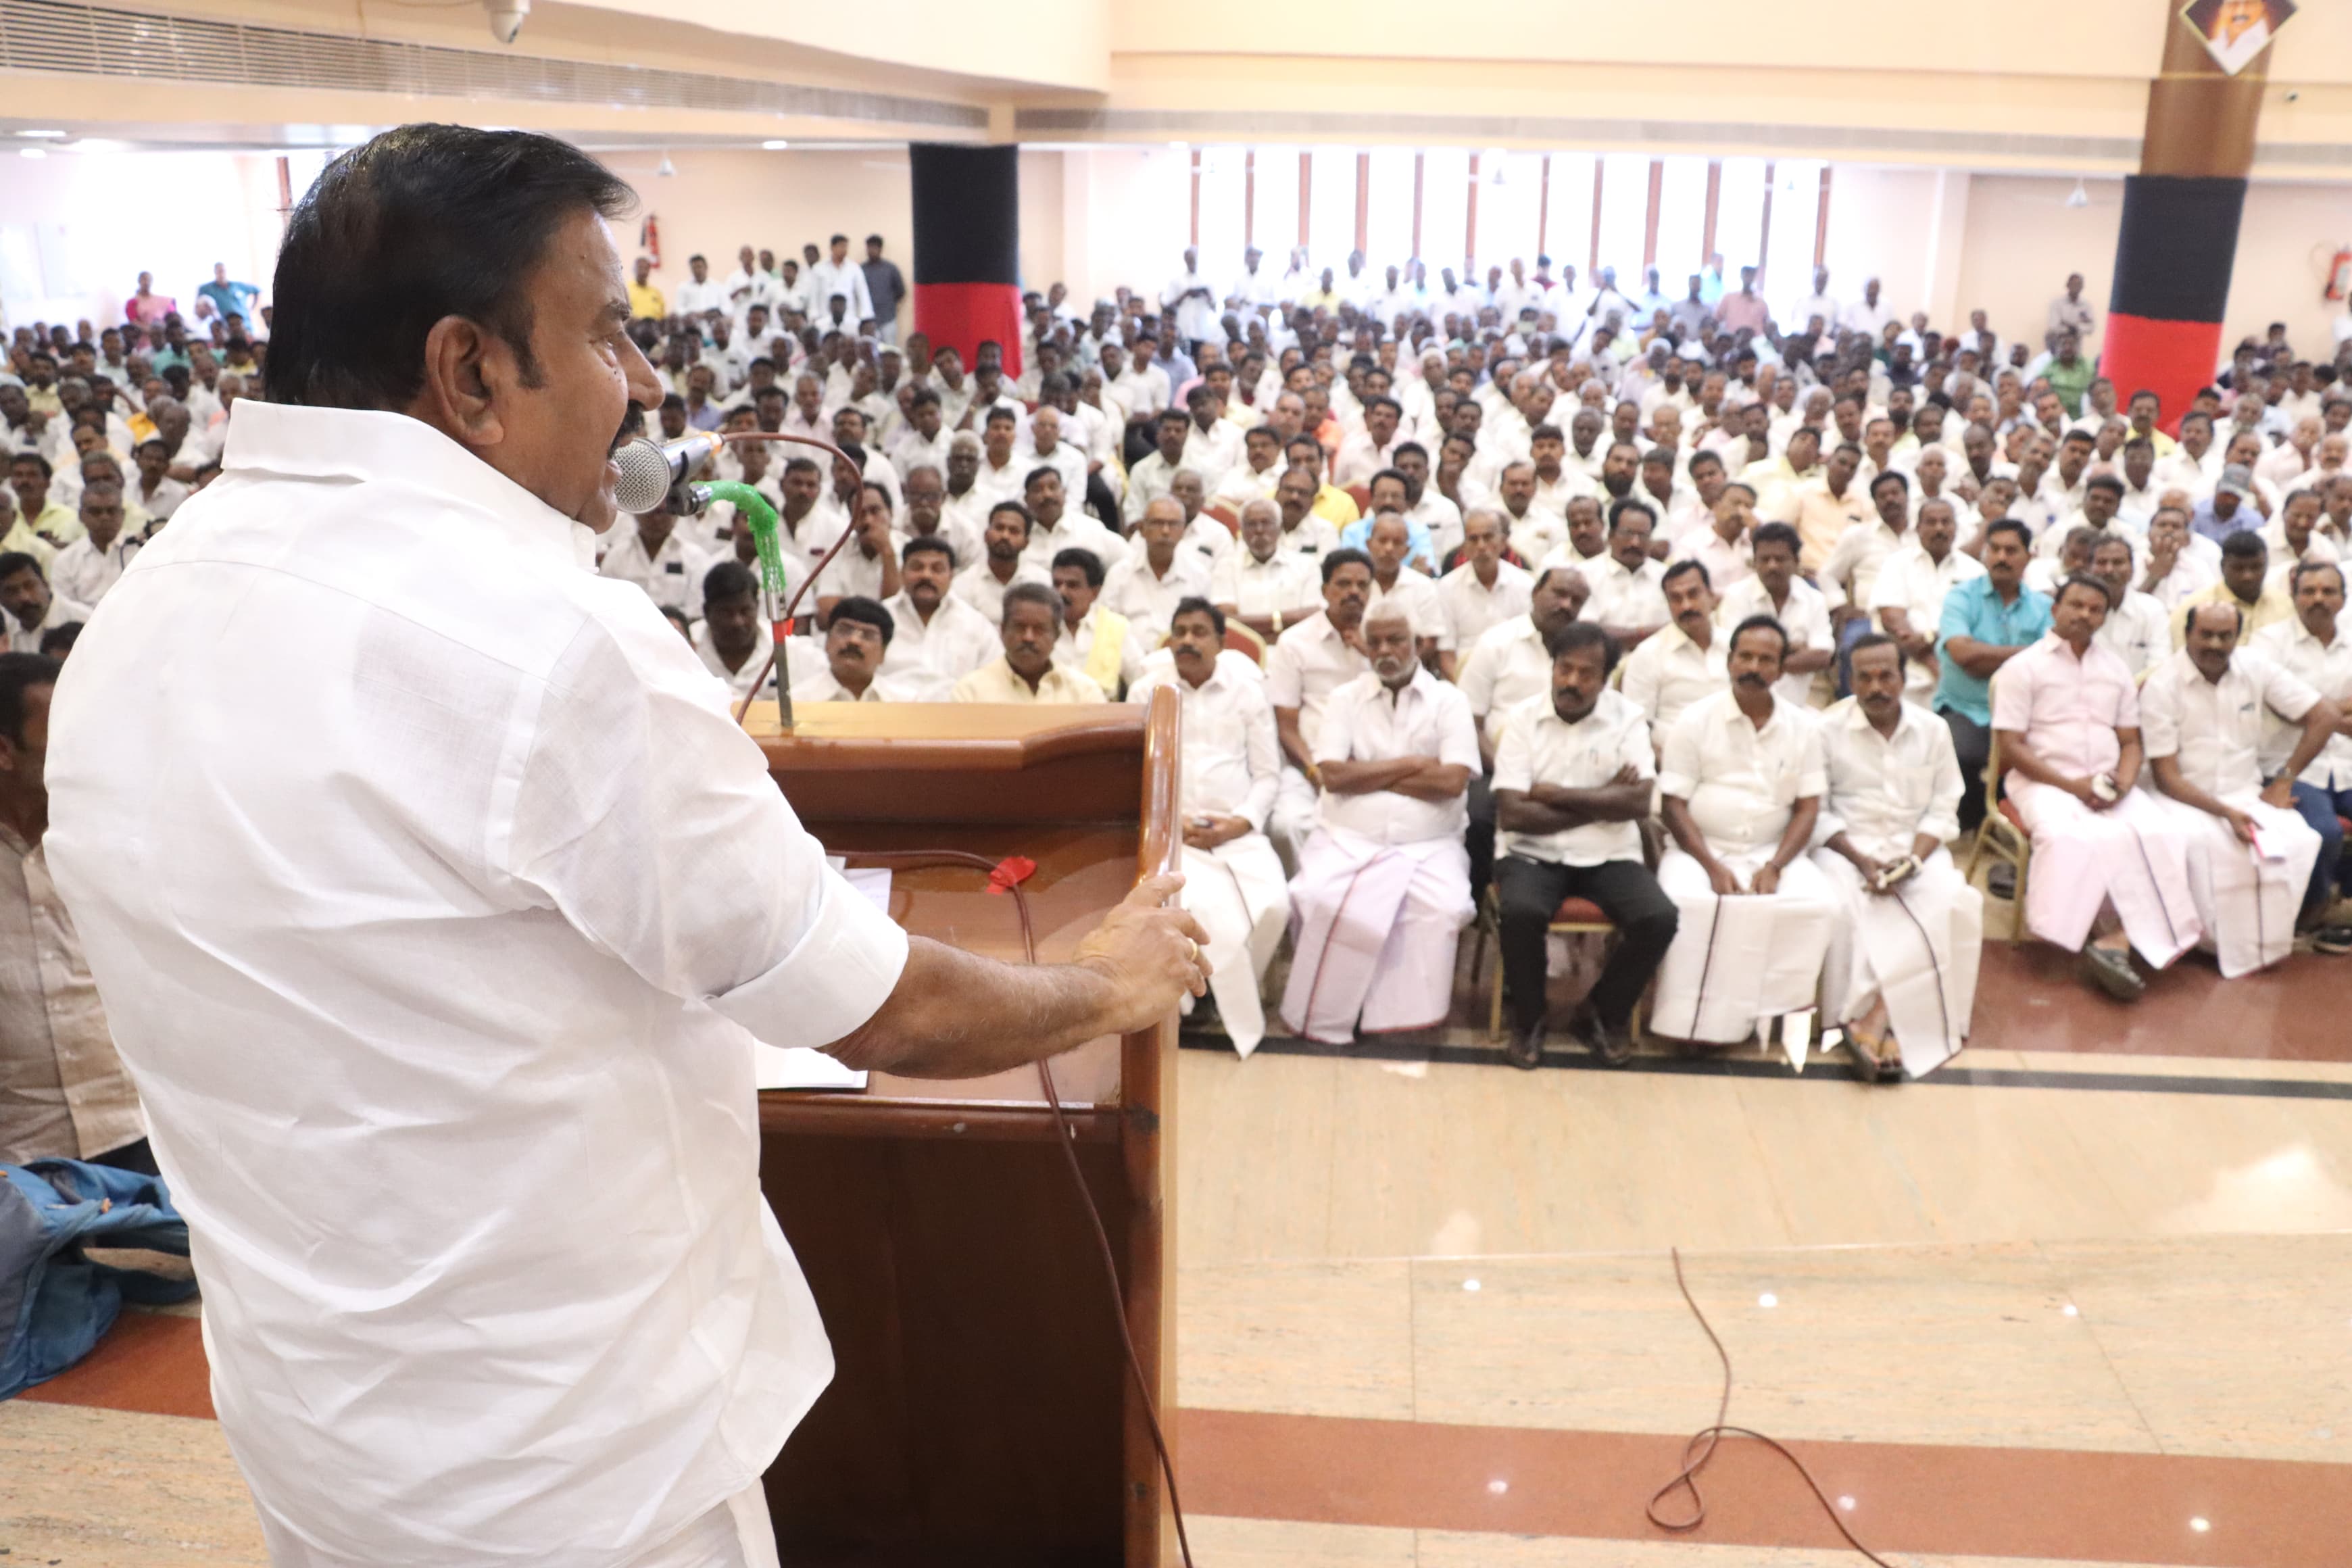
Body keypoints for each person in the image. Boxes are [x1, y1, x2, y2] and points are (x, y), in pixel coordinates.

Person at [45, 126, 1207, 1568]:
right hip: (579, 1475)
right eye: (606, 335)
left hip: (318, 1445)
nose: (646, 383)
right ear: (471, 372)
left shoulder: (138, 614)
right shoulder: (551, 643)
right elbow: (885, 1007)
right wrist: (1105, 979)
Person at [1992, 574, 2201, 1000]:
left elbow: (2130, 741)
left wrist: (2124, 782)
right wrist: (2071, 785)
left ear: (2104, 617)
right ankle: (2073, 934)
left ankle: (2117, 939)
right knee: (2069, 836)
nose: (2085, 615)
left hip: (2107, 781)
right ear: (2056, 609)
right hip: (2042, 781)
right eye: (2076, 605)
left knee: (2163, 833)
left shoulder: (2115, 669)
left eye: (2095, 609)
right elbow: (2010, 747)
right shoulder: (2022, 668)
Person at [1279, 604, 1479, 1044]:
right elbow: (1333, 776)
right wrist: (1412, 764)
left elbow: (1451, 782)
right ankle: (1338, 1010)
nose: (1385, 651)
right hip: (1347, 840)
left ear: (1418, 644)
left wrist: (1367, 775)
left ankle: (1400, 1020)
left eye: (1396, 640)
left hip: (1430, 845)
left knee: (1442, 907)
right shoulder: (1344, 699)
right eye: (1376, 642)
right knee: (1316, 896)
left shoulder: (1450, 701)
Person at [1491, 621, 1677, 1069]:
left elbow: (1637, 803)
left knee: (1658, 917)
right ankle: (1529, 1019)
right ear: (1552, 667)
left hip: (1608, 854)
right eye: (1565, 669)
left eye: (1586, 673)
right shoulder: (1522, 719)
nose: (1572, 681)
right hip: (1531, 852)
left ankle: (1600, 1013)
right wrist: (1604, 799)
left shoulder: (1628, 719)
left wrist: (1554, 795)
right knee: (1520, 912)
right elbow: (1514, 814)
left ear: (1606, 678)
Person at [1651, 616, 1838, 1046]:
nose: (1754, 667)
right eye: (1746, 657)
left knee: (1818, 905)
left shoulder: (1804, 727)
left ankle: (1759, 1016)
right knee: (1689, 903)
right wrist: (1711, 865)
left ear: (1782, 668)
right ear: (1730, 661)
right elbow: (1673, 805)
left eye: (1766, 660)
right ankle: (1688, 1029)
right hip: (1698, 849)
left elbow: (1808, 808)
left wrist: (1775, 867)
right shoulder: (1694, 720)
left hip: (1772, 850)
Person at [0, 652, 151, 1168]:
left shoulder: (114, 838)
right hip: (23, 1154)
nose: (79, 757)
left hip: (136, 1128)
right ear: (4, 752)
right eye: (58, 742)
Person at [1811, 635, 1982, 1081]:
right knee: (1846, 907)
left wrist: (1913, 861)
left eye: (1886, 676)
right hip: (1847, 848)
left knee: (1949, 901)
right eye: (1865, 678)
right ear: (1850, 681)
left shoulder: (1933, 730)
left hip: (1918, 847)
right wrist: (1862, 861)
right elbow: (1818, 812)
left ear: (1904, 679)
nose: (1876, 687)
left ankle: (1877, 1017)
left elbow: (1944, 808)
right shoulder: (1826, 730)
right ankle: (1864, 1019)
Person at [2141, 602, 2339, 977]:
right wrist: (2225, 813)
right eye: (2206, 635)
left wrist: (2285, 779)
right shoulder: (2162, 685)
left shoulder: (2255, 667)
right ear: (2187, 634)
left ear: (2237, 637)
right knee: (2207, 844)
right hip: (2182, 798)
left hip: (2245, 792)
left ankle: (2270, 941)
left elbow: (2325, 715)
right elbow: (2167, 778)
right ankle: (2208, 943)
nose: (2215, 644)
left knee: (2299, 839)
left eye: (2225, 636)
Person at [1131, 599, 1287, 1055]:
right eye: (1179, 631)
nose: (1187, 641)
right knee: (1195, 906)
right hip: (1170, 833)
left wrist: (1240, 822)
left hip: (1236, 832)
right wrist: (1169, 820)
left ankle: (1215, 989)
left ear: (1221, 642)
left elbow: (1268, 776)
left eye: (1199, 632)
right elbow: (1131, 770)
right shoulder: (1147, 690)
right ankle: (1200, 998)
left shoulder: (1247, 692)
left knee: (1276, 906)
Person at [2253, 561, 2352, 944]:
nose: (2318, 599)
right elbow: (2278, 704)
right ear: (2294, 597)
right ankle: (2313, 912)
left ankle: (2344, 904)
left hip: (2345, 761)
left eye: (2328, 591)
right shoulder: (2269, 642)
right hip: (2289, 764)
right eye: (2309, 591)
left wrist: (2319, 715)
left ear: (2343, 599)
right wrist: (2329, 715)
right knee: (2324, 832)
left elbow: (2301, 708)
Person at [1935, 519, 2051, 831]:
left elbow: (2051, 663)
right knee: (1962, 752)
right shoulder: (1961, 597)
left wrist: (1983, 657)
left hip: (2027, 715)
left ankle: (2009, 820)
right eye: (1995, 549)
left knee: (2048, 755)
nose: (2001, 557)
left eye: (2011, 551)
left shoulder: (2044, 606)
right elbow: (1962, 655)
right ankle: (1974, 822)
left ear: (2029, 556)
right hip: (1967, 708)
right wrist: (2028, 655)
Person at [1264, 549, 1376, 854]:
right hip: (1310, 764)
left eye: (1362, 585)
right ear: (1325, 590)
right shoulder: (1295, 642)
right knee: (1287, 825)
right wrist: (1315, 772)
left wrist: (1371, 652)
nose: (1354, 592)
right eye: (1344, 584)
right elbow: (1286, 727)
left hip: (1373, 766)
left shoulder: (1384, 640)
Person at [1717, 520, 1834, 710]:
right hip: (1745, 706)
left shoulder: (1814, 599)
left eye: (1780, 559)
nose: (1772, 566)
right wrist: (1793, 650)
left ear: (1796, 562)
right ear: (1754, 562)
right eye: (1765, 559)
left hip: (1798, 709)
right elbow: (1732, 653)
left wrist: (1761, 658)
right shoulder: (1736, 595)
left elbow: (1823, 656)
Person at [877, 536, 998, 700]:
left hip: (957, 712)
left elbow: (993, 680)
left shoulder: (976, 625)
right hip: (887, 710)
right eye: (917, 567)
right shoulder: (878, 618)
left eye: (937, 569)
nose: (926, 575)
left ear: (951, 576)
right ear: (902, 572)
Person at [1619, 558, 1728, 732]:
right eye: (1676, 599)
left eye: (1693, 594)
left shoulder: (1734, 646)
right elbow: (1637, 726)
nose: (1686, 606)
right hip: (1671, 747)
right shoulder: (1648, 654)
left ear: (1711, 596)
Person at [953, 580, 1106, 703]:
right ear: (1003, 630)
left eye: (1039, 629)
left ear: (1057, 635)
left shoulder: (1084, 693)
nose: (1028, 637)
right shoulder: (970, 692)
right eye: (1019, 627)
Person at [1100, 496, 1213, 648]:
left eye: (1173, 524)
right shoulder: (1119, 574)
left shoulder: (1199, 576)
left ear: (1183, 531)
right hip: (1126, 658)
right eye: (1158, 523)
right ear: (1142, 529)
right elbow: (1103, 627)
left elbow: (1205, 632)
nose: (1165, 531)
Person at [1211, 496, 1321, 640]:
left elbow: (1312, 617)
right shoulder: (1226, 567)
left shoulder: (1306, 565)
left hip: (1297, 647)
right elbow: (1228, 622)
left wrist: (1260, 625)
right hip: (1244, 649)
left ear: (1279, 527)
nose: (1259, 530)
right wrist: (1283, 622)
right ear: (1242, 530)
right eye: (1251, 524)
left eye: (1266, 523)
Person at [794, 595, 911, 703]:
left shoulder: (904, 703)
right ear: (827, 642)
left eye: (868, 635)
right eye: (844, 630)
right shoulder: (798, 700)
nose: (854, 640)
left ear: (883, 653)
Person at [49, 483, 139, 606]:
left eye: (111, 511)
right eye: (96, 512)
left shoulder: (142, 550)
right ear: (81, 516)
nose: (104, 517)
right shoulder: (66, 560)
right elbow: (66, 607)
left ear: (122, 515)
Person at [0, 552, 89, 656]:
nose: (24, 597)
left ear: (45, 583)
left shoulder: (85, 620)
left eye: (30, 585)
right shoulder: (4, 627)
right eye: (12, 591)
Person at [860, 235, 905, 345]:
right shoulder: (861, 270)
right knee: (869, 347)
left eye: (874, 248)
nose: (871, 251)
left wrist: (889, 303)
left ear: (880, 249)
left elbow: (900, 291)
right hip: (868, 320)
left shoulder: (891, 269)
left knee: (889, 348)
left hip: (888, 318)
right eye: (869, 248)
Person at [195, 262, 262, 328]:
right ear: (215, 272)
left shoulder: (238, 286)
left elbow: (257, 291)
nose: (221, 274)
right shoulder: (207, 289)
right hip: (223, 326)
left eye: (223, 271)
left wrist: (251, 309)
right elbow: (198, 305)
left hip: (245, 324)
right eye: (219, 271)